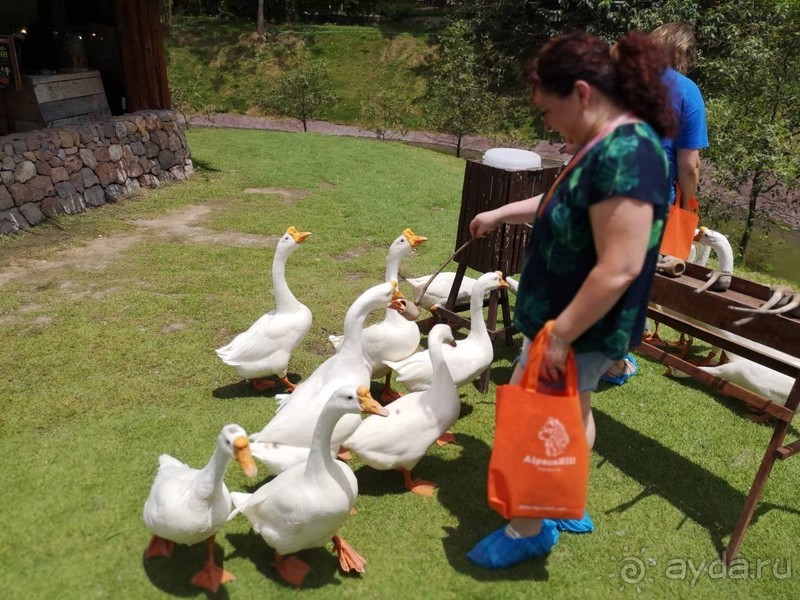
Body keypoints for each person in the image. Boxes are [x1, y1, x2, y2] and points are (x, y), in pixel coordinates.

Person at [465, 30, 675, 569]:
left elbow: (620, 265)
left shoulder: (629, 154)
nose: (546, 123)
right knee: (572, 409)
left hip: (579, 325)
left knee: (534, 418)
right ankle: (565, 499)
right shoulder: (604, 143)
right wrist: (501, 214)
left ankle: (528, 529)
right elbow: (564, 201)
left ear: (581, 93)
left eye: (548, 110)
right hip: (569, 323)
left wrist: (560, 333)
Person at [601, 22, 709, 385]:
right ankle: (612, 363)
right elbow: (689, 165)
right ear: (683, 54)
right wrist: (686, 202)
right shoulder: (687, 91)